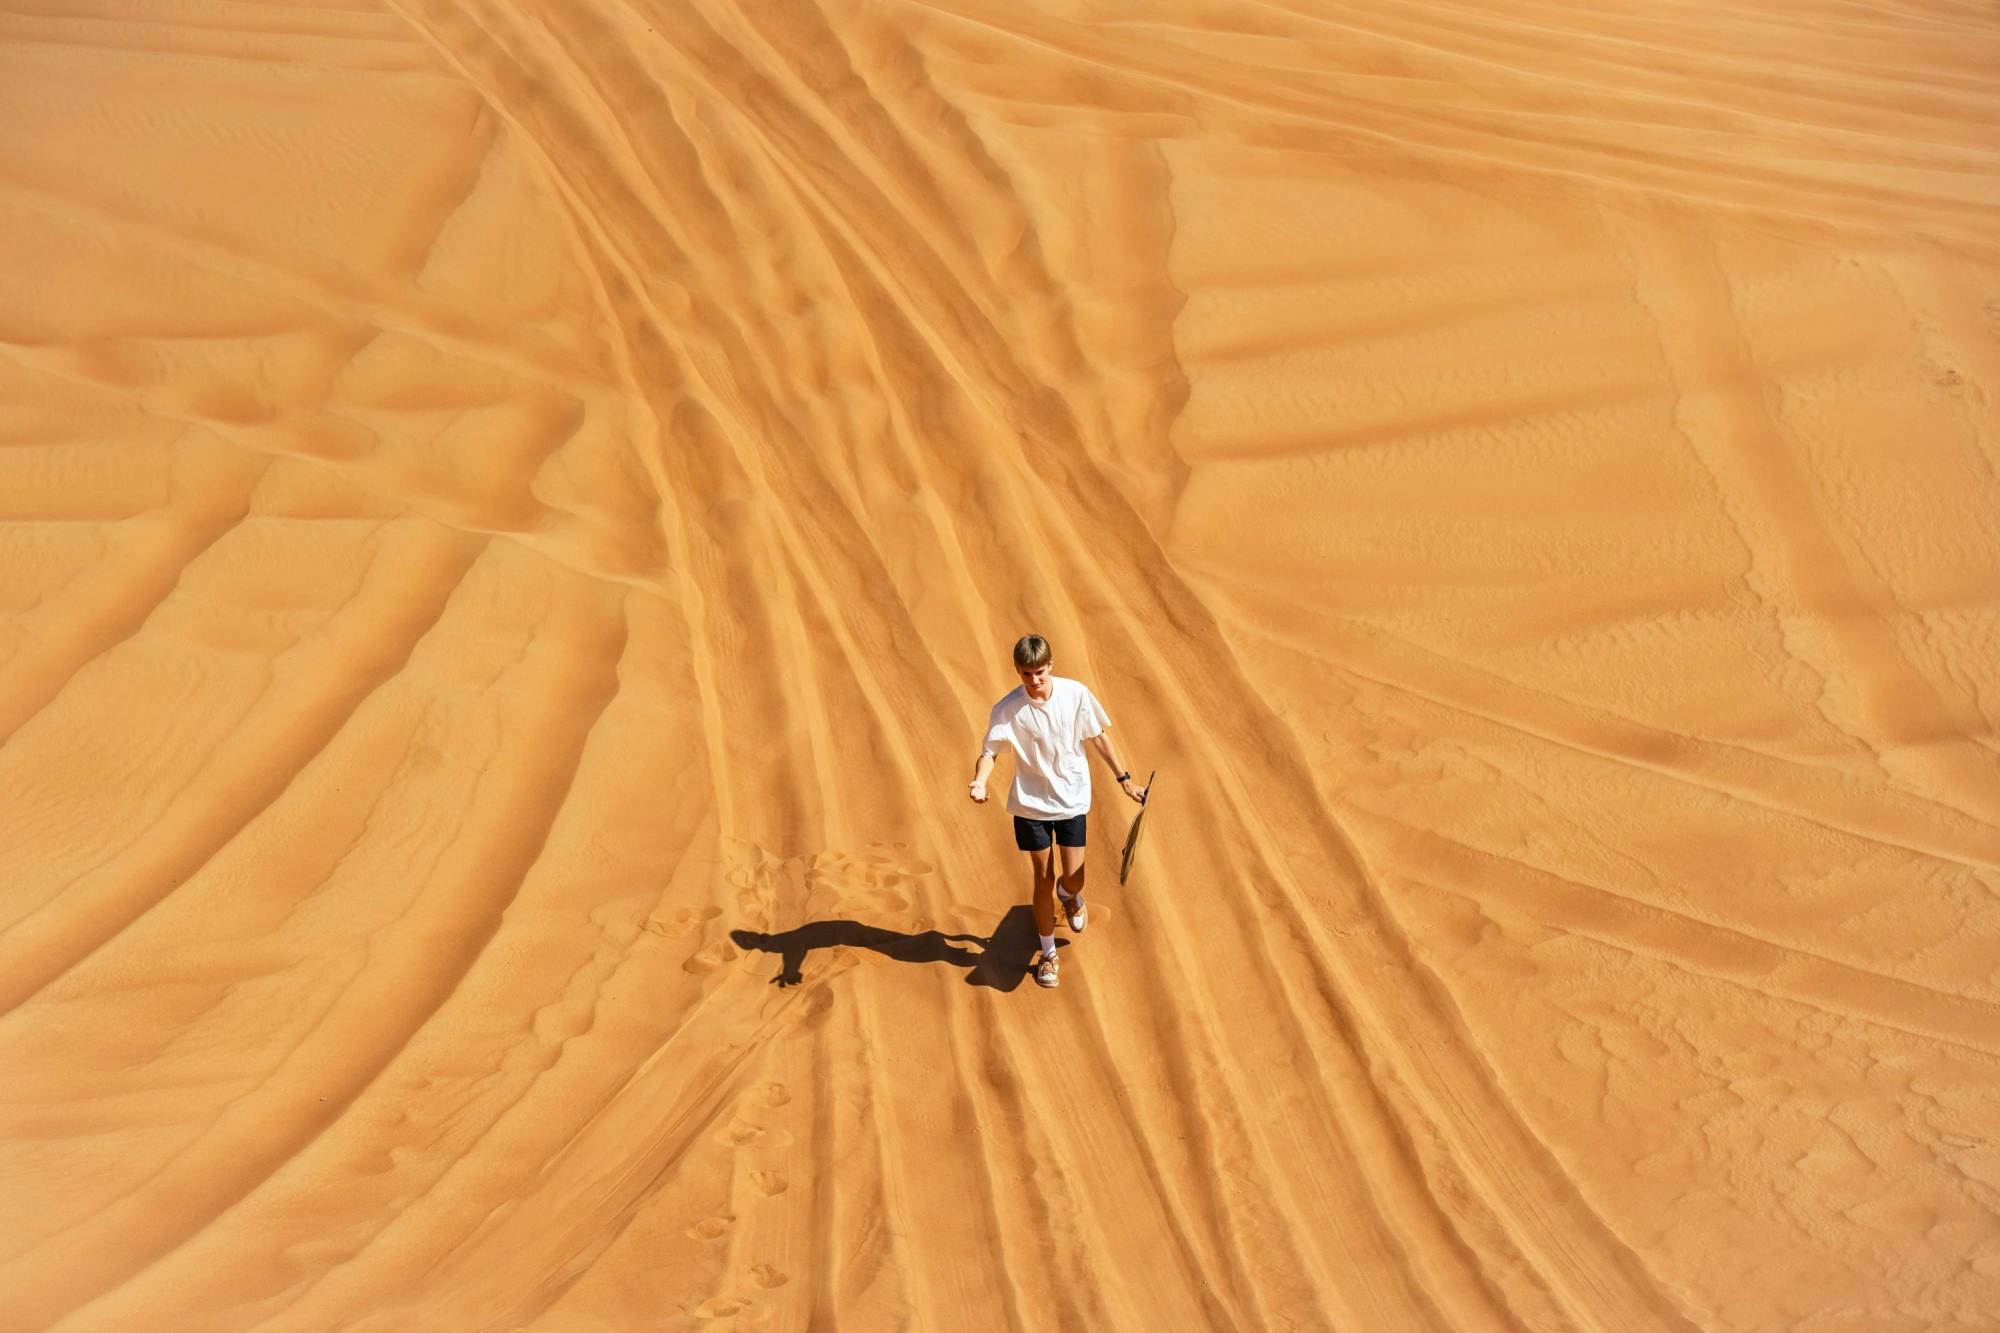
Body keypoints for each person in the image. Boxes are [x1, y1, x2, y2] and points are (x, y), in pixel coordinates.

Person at [968, 634, 1146, 989]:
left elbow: (1098, 737)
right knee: (1043, 878)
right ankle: (1048, 955)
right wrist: (979, 782)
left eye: (1039, 672)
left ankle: (1069, 896)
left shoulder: (1075, 694)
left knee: (1073, 877)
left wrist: (1125, 780)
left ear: (1051, 665)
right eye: (1026, 674)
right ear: (1017, 671)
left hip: (1071, 800)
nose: (1034, 681)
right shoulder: (1007, 709)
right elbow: (989, 752)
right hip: (1030, 806)